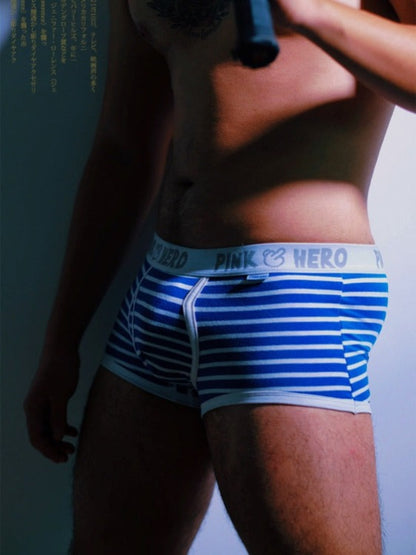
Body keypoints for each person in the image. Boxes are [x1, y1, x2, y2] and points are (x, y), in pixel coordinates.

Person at [24, 0, 415, 553]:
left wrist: (311, 13)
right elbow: (124, 147)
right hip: (159, 290)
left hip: (288, 298)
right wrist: (61, 341)